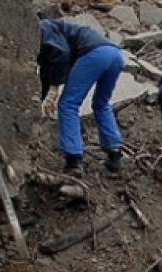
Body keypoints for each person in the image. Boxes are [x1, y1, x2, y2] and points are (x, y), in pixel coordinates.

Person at [37, 17, 125, 176]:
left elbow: (60, 53)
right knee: (102, 103)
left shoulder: (42, 27)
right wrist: (46, 95)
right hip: (115, 54)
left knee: (68, 104)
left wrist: (53, 88)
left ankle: (73, 160)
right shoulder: (61, 30)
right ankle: (114, 153)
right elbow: (50, 67)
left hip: (94, 54)